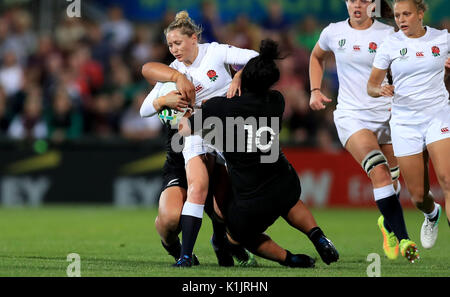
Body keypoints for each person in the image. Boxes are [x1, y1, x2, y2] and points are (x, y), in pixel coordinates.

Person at [179, 39, 339, 268]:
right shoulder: (276, 101)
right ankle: (317, 236)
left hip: (251, 197)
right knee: (289, 202)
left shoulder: (219, 107)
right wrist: (239, 77)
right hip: (283, 179)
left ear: (244, 78)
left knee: (236, 235)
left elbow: (185, 129)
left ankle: (289, 258)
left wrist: (187, 112)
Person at [140, 11, 259, 267]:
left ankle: (224, 243)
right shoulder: (173, 72)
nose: (173, 49)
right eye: (170, 45)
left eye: (178, 43)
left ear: (194, 38)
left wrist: (240, 75)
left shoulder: (214, 53)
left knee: (224, 210)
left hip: (222, 137)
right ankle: (178, 250)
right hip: (184, 144)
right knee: (172, 218)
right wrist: (164, 100)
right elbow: (145, 96)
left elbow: (256, 58)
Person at [309, 0, 419, 262]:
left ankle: (387, 225)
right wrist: (315, 89)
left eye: (365, 0)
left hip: (389, 116)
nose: (358, 4)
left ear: (374, 4)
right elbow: (316, 56)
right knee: (378, 171)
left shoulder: (389, 33)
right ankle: (404, 239)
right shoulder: (333, 32)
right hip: (352, 116)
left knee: (393, 182)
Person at [368, 0, 450, 251]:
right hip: (405, 123)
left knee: (447, 180)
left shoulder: (443, 38)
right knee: (417, 196)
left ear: (421, 14)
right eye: (397, 15)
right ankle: (431, 214)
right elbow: (371, 86)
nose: (401, 19)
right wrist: (380, 89)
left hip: (438, 115)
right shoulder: (391, 44)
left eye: (406, 14)